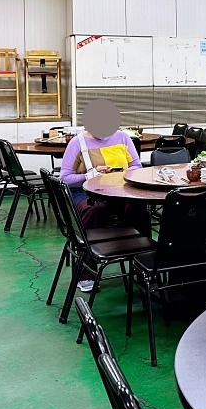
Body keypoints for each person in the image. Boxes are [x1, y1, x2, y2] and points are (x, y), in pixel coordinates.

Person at [59, 101, 145, 291]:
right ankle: (86, 272)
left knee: (137, 207)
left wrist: (122, 174)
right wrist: (90, 175)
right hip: (84, 191)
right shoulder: (77, 143)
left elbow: (136, 166)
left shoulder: (123, 138)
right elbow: (64, 179)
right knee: (94, 210)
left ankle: (143, 264)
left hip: (118, 190)